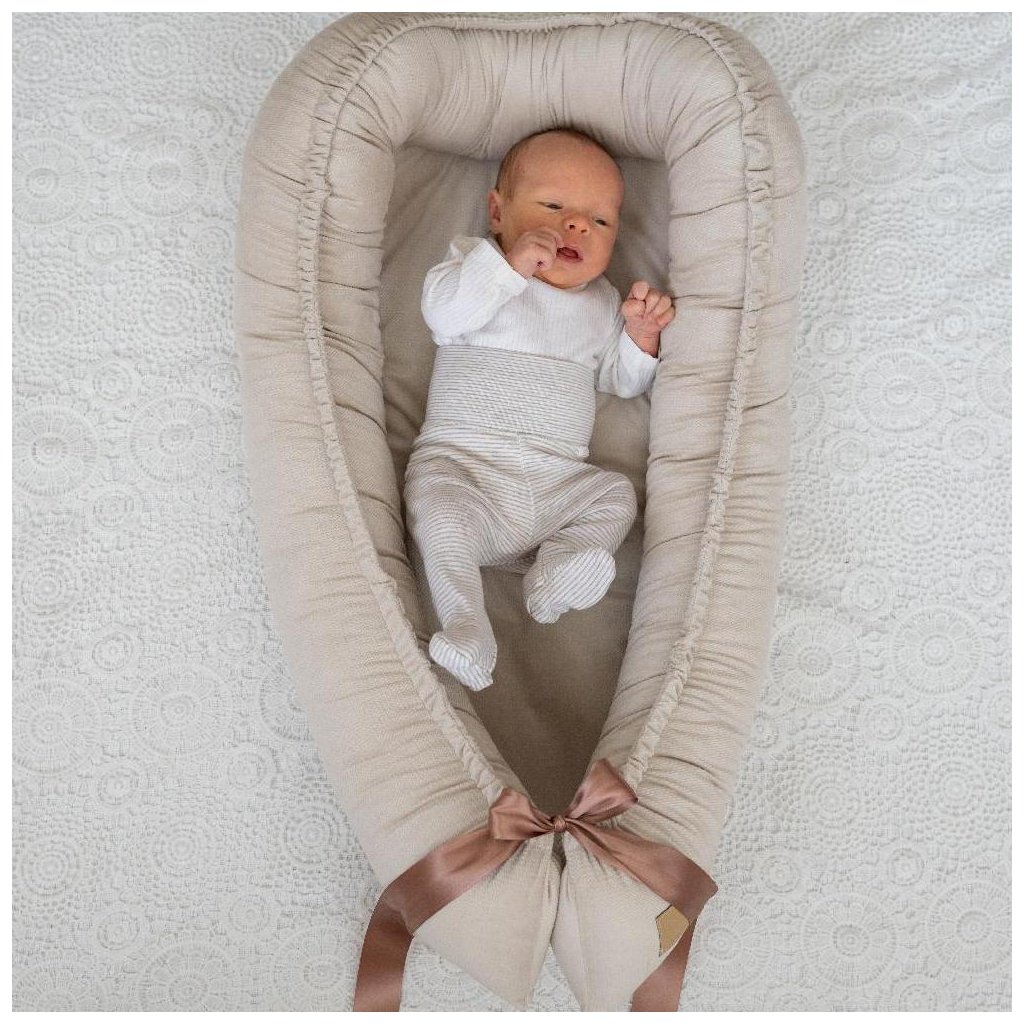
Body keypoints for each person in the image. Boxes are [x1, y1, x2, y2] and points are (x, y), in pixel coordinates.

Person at [404, 127, 675, 690]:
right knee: (437, 511)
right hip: (465, 469)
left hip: (555, 485)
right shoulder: (473, 265)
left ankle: (556, 571)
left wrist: (641, 336)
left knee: (615, 494)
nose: (577, 225)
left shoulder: (602, 301)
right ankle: (467, 626)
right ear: (497, 213)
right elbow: (443, 315)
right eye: (554, 207)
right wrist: (507, 267)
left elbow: (622, 382)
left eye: (600, 220)